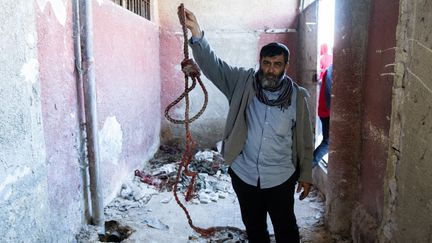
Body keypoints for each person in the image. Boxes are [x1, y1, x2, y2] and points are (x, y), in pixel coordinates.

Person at [180, 7, 313, 243]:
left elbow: (305, 140)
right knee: (254, 228)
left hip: (281, 176)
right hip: (245, 174)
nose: (271, 69)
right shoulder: (242, 83)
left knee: (287, 230)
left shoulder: (298, 97)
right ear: (260, 62)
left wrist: (306, 174)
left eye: (277, 64)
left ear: (286, 66)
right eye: (267, 63)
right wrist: (196, 32)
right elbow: (214, 66)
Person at [312, 64, 333, 167]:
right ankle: (306, 168)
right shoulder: (332, 70)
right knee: (327, 143)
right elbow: (329, 92)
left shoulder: (329, 69)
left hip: (324, 111)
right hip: (327, 113)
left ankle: (306, 167)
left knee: (327, 141)